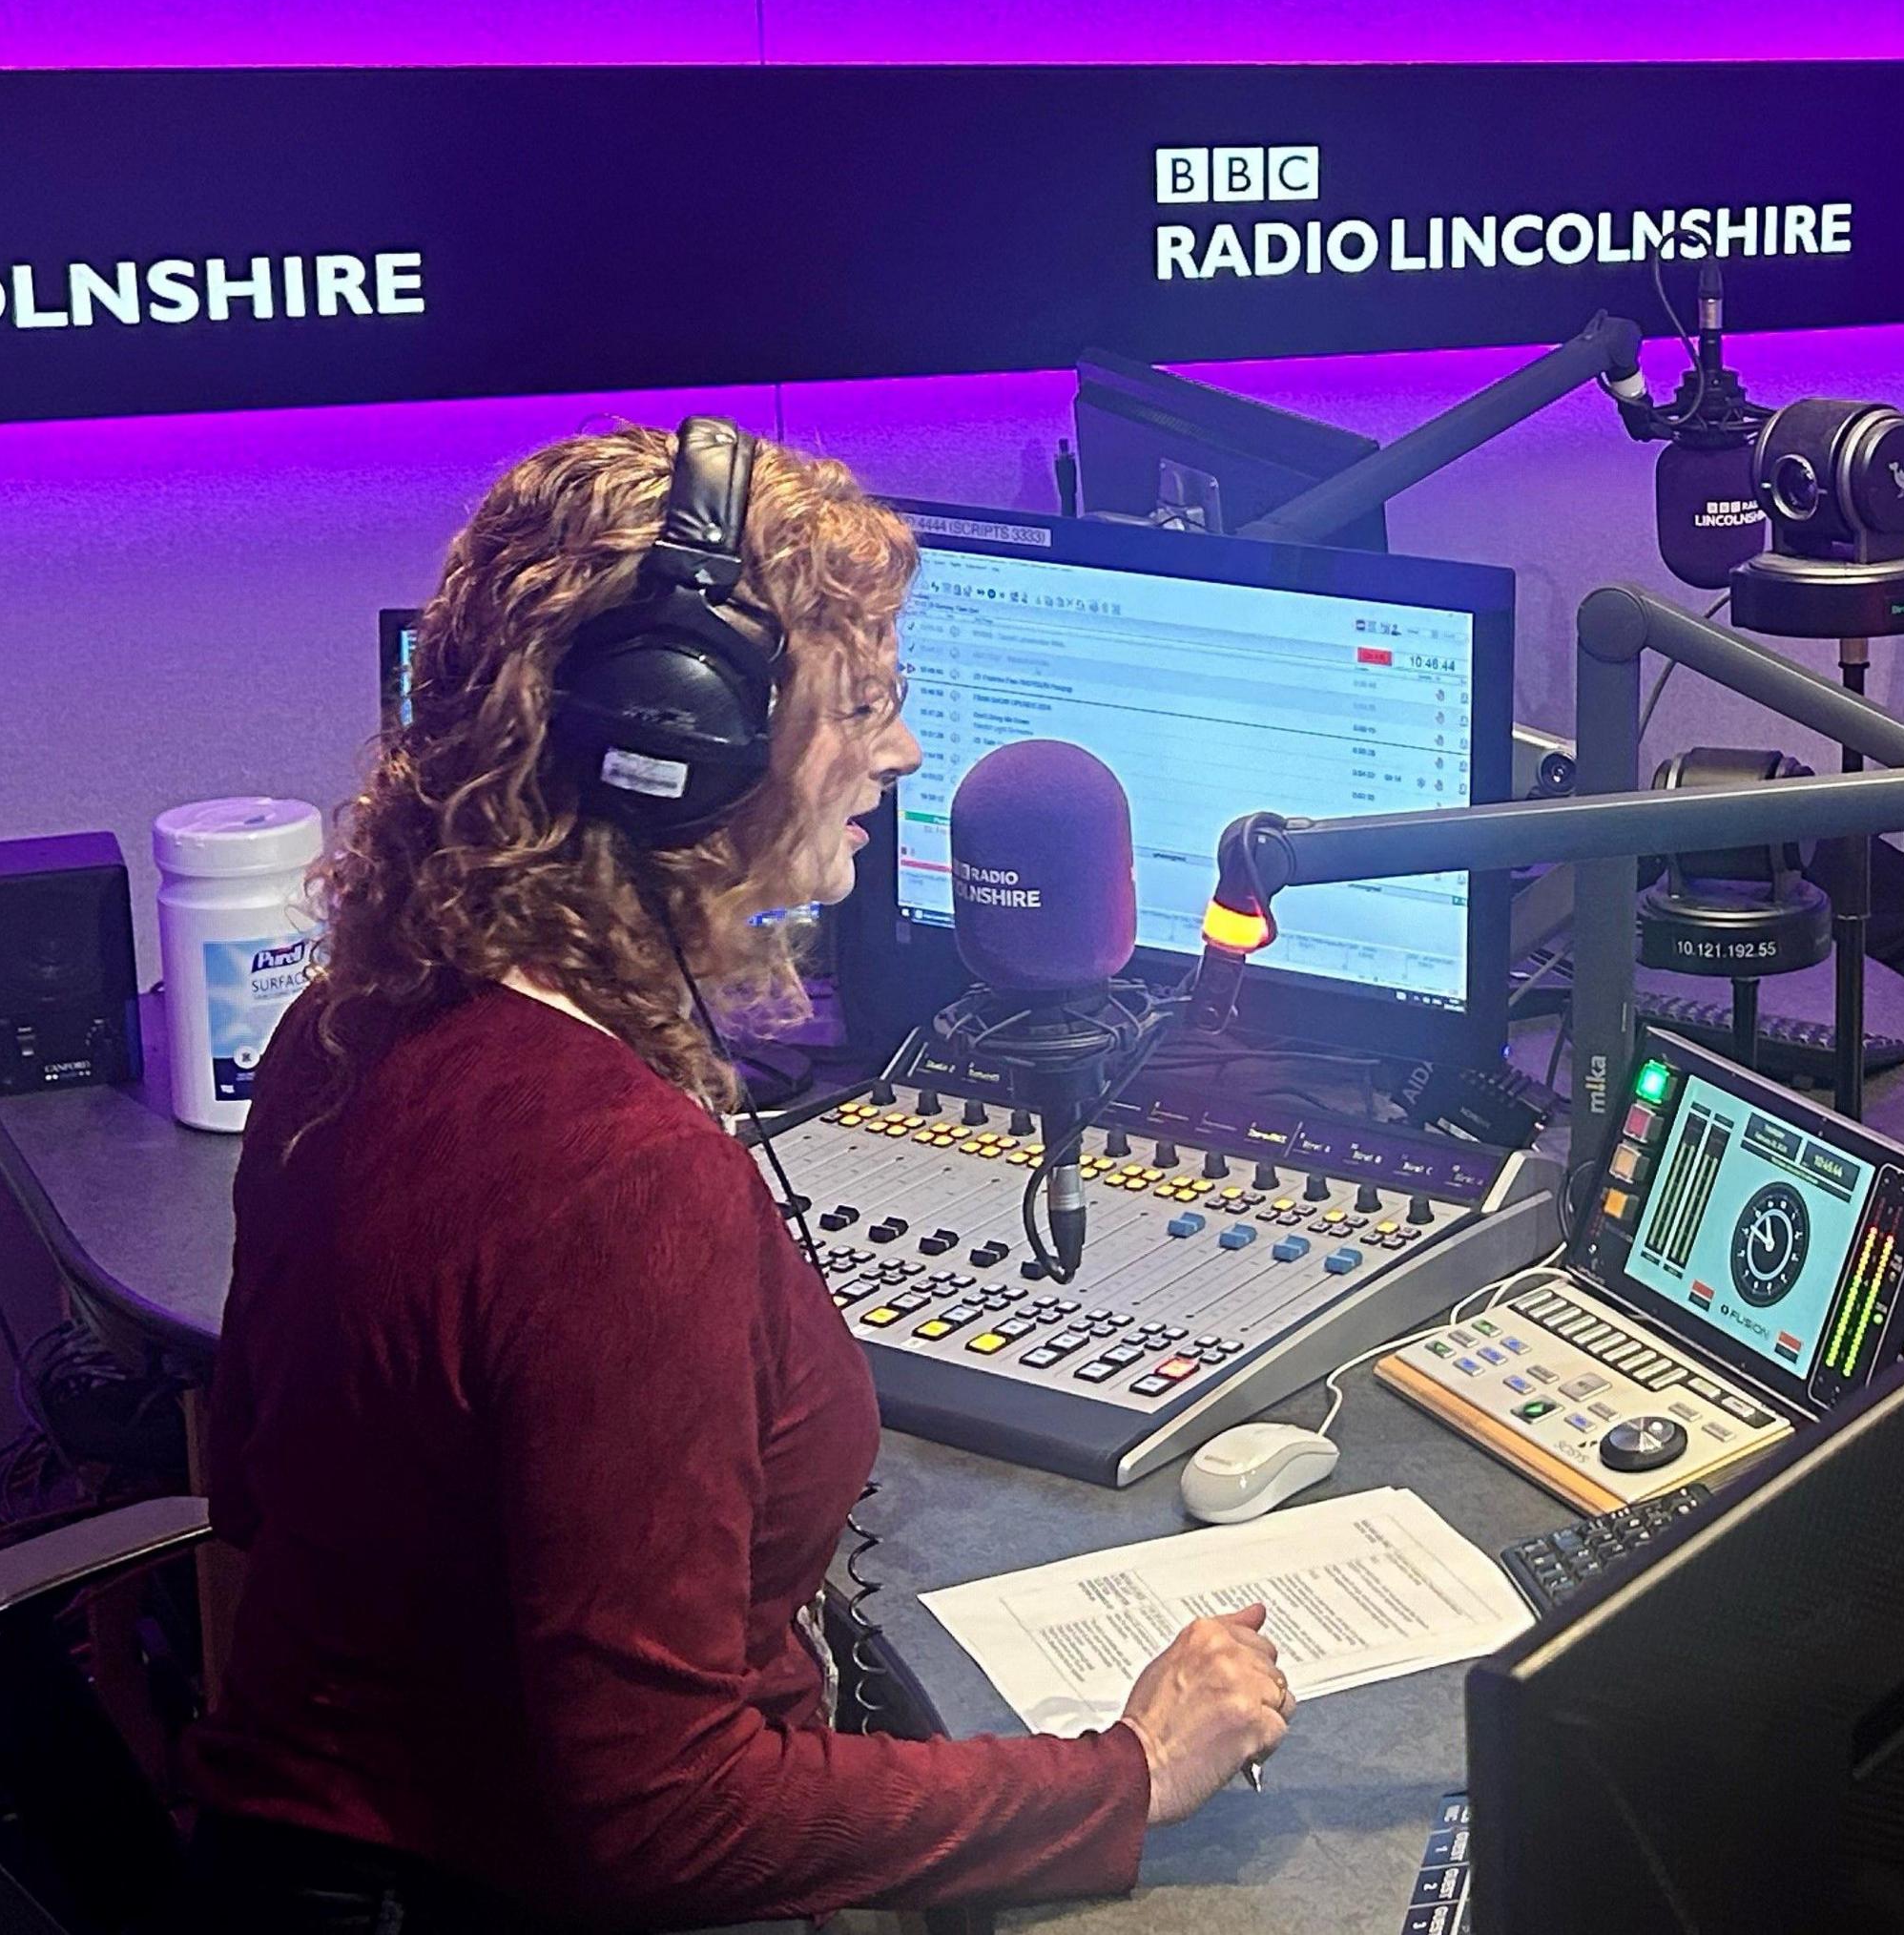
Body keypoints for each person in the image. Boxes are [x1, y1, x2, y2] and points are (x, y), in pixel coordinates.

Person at [187, 422, 1289, 1930]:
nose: (900, 755)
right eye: (863, 705)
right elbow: (672, 1817)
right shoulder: (619, 1186)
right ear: (672, 751)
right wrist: (1127, 1773)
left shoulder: (353, 1018)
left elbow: (243, 1494)